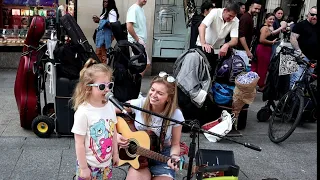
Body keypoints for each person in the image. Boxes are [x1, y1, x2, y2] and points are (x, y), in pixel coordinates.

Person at [121, 71, 185, 180]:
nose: (153, 95)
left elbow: (175, 144)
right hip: (139, 155)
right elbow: (111, 110)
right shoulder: (140, 103)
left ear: (169, 98)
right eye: (152, 90)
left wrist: (174, 157)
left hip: (162, 156)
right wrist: (116, 135)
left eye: (160, 93)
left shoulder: (175, 114)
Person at [71, 58, 119, 180]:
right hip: (89, 165)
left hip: (106, 165)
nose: (107, 89)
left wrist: (116, 153)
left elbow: (113, 132)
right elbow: (79, 143)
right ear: (88, 88)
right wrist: (83, 168)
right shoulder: (83, 112)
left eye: (109, 85)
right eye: (102, 86)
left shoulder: (110, 106)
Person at [196, 2, 240, 75]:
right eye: (230, 15)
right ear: (225, 10)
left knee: (212, 71)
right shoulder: (215, 12)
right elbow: (202, 27)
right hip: (203, 45)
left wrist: (226, 45)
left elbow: (235, 40)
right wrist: (203, 43)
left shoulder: (236, 21)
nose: (231, 18)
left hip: (217, 49)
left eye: (233, 16)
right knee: (200, 71)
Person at [289, 6, 318, 88]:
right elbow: (293, 38)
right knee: (296, 79)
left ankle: (300, 99)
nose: (314, 17)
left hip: (313, 60)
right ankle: (292, 99)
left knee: (306, 81)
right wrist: (299, 52)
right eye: (312, 14)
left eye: (316, 15)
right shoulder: (301, 25)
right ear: (308, 14)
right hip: (302, 58)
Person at [251, 13, 279, 91]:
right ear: (265, 19)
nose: (272, 20)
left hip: (261, 48)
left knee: (257, 66)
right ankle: (261, 85)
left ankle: (252, 84)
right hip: (264, 49)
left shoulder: (266, 27)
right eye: (270, 19)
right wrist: (272, 42)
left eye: (273, 19)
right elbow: (262, 40)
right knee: (262, 68)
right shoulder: (265, 28)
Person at [234, 0, 262, 68]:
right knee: (240, 73)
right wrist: (248, 51)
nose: (257, 11)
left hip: (244, 50)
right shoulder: (246, 18)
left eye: (259, 9)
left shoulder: (250, 17)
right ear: (250, 7)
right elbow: (241, 36)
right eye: (255, 8)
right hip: (241, 50)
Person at [126, 0, 151, 77]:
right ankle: (134, 84)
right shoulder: (134, 9)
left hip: (140, 42)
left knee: (140, 66)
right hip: (136, 42)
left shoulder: (141, 9)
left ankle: (135, 84)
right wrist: (138, 39)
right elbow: (129, 27)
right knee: (144, 65)